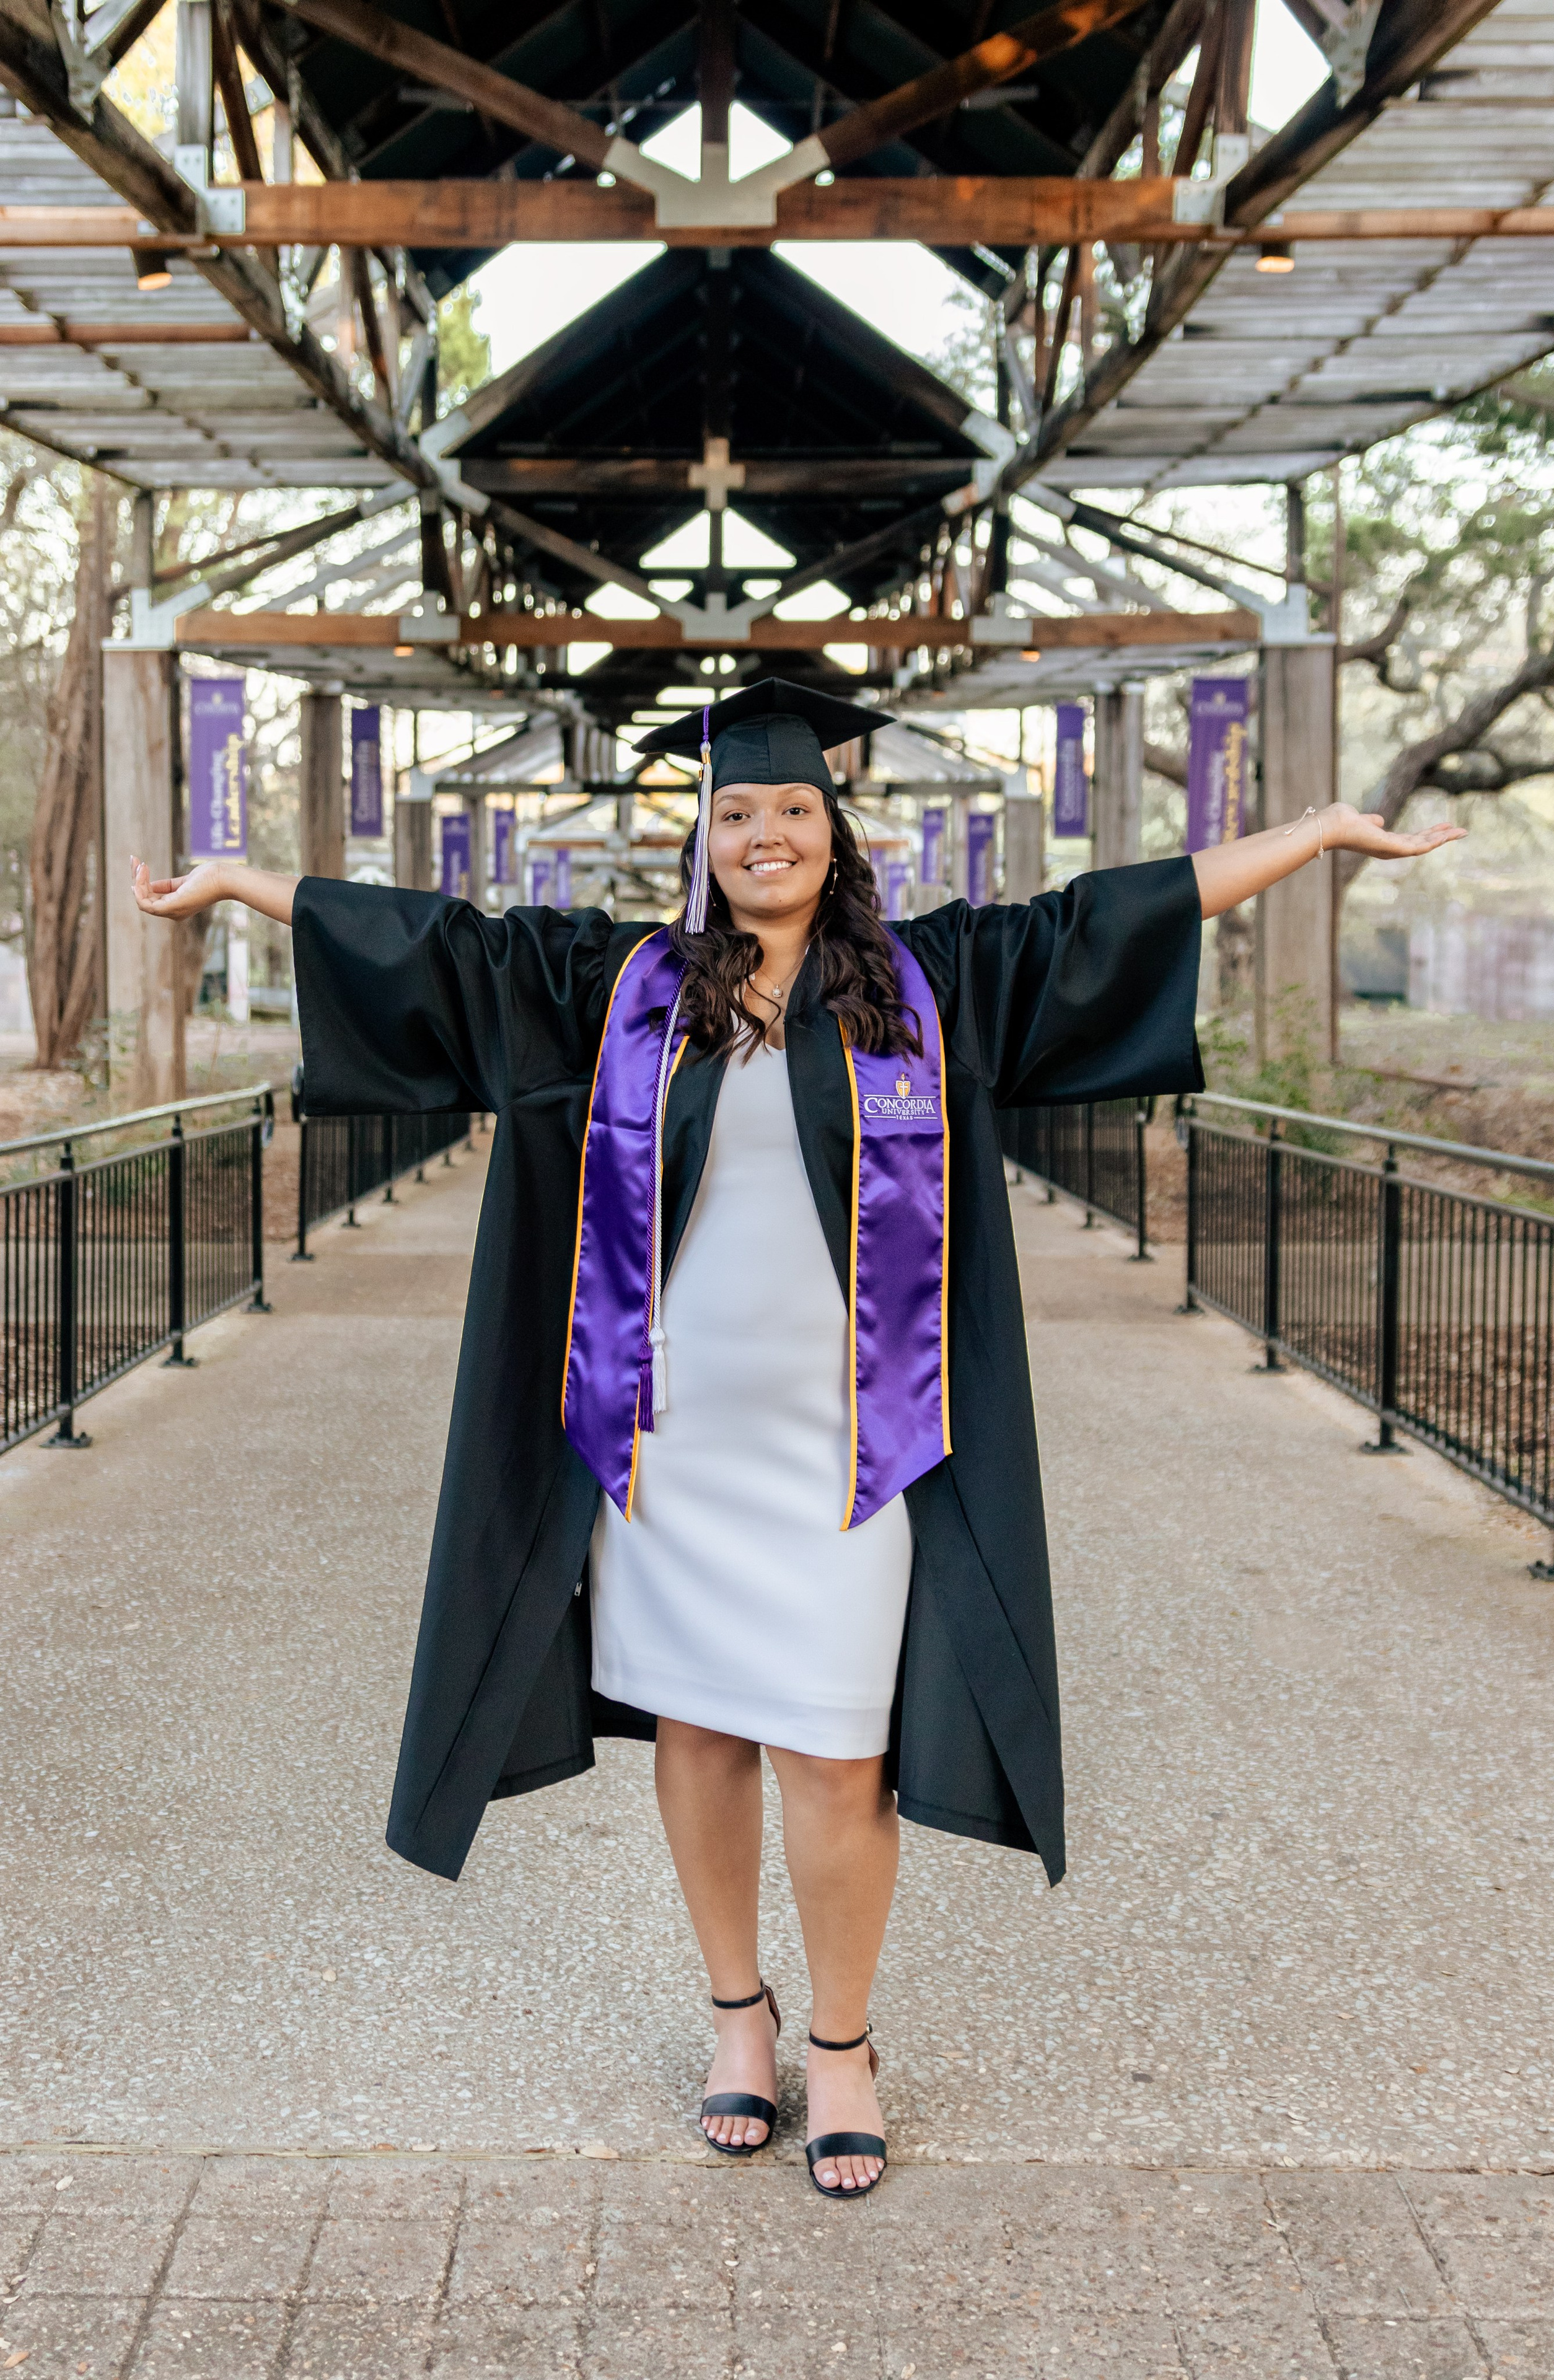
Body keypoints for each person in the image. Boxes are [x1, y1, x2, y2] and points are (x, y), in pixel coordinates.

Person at [132, 677, 1462, 2197]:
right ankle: (736, 2019)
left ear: (836, 833)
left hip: (855, 1457)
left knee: (839, 1757)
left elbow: (1112, 915)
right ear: (701, 838)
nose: (764, 832)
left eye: (792, 809)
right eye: (737, 810)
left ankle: (842, 2042)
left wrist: (1308, 834)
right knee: (698, 1731)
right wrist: (244, 881)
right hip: (668, 1448)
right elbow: (433, 943)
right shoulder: (615, 984)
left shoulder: (926, 982)